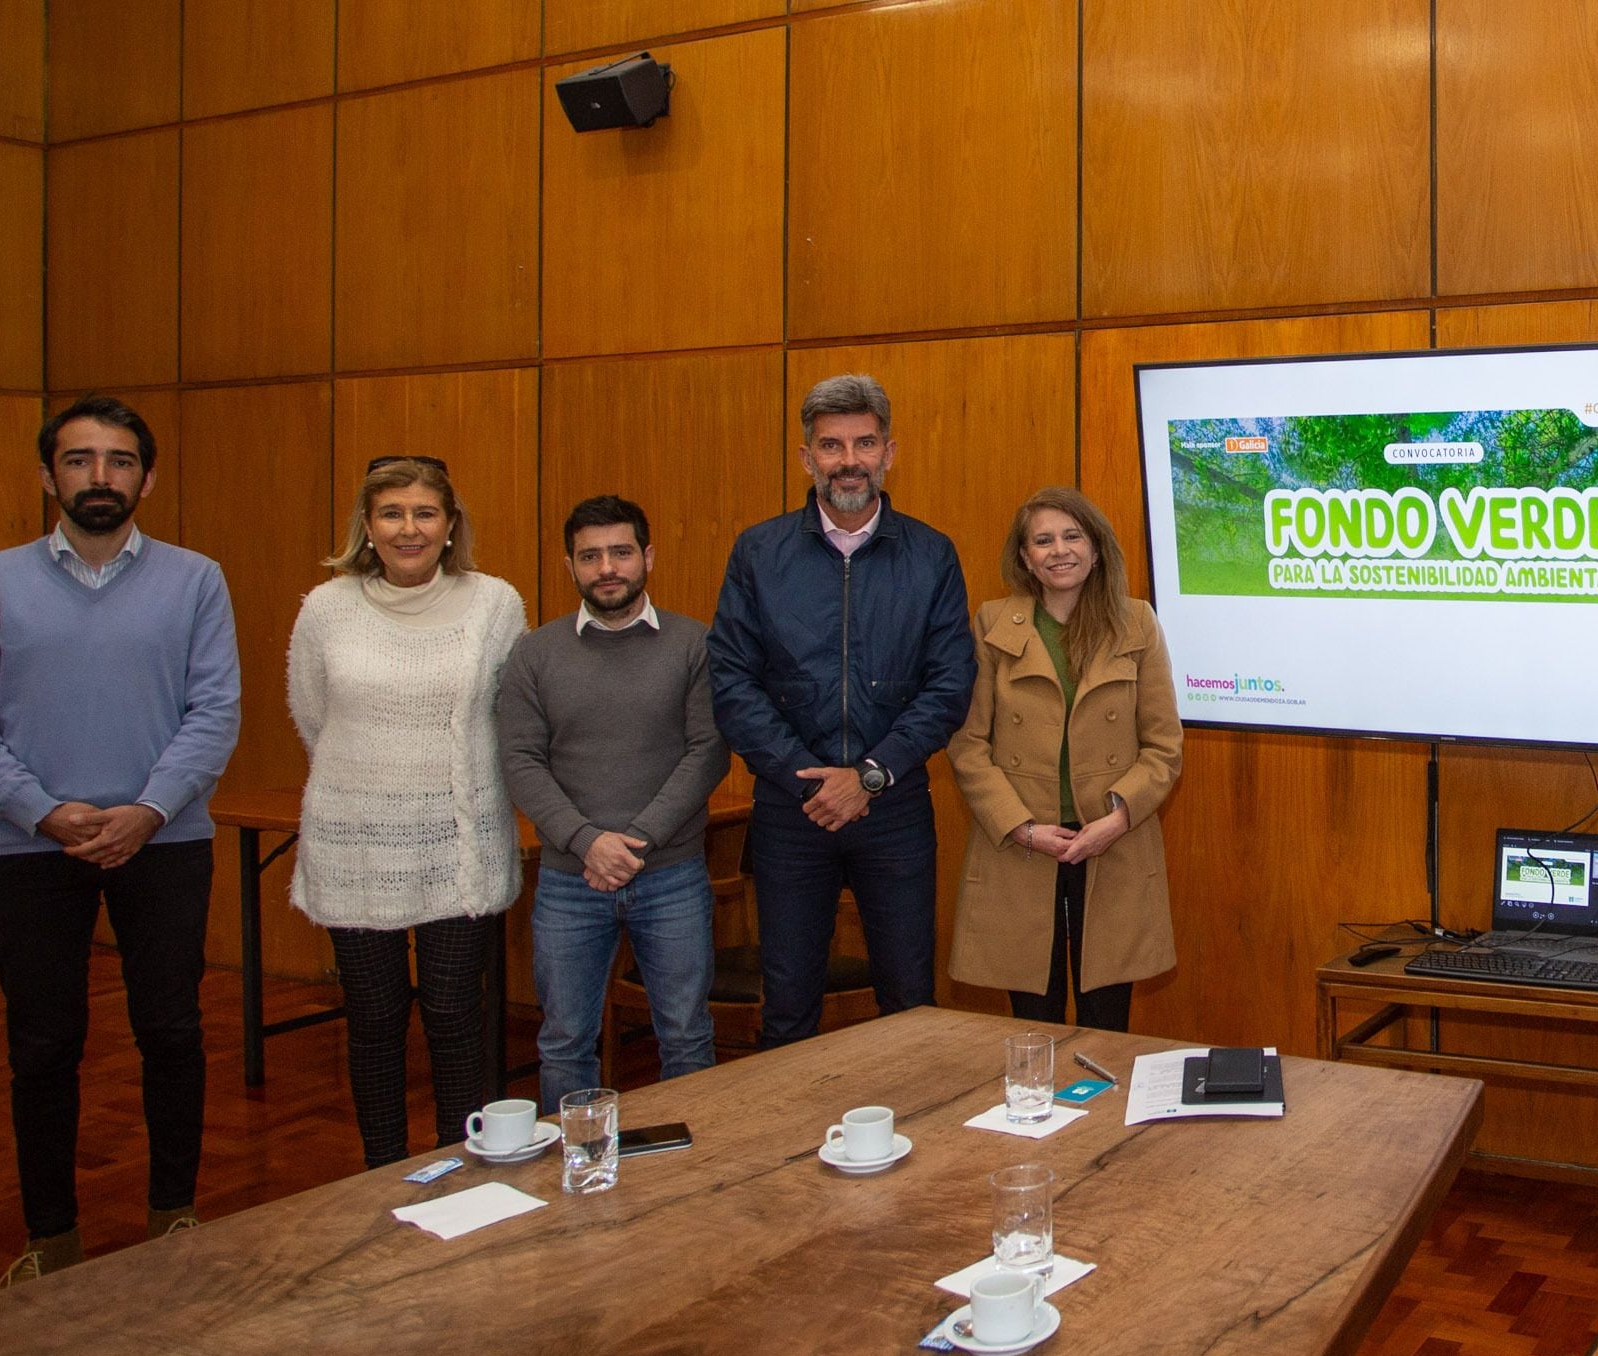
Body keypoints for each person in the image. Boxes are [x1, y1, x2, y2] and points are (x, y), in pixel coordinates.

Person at [0, 396, 240, 1284]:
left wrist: (147, 811)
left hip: (166, 843)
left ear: (147, 476)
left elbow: (214, 712)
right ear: (47, 476)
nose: (100, 477)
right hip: (30, 849)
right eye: (79, 460)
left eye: (119, 461)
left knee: (173, 1030)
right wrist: (42, 809)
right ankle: (51, 1240)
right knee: (43, 1044)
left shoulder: (195, 579)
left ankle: (175, 1217)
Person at [706, 374, 975, 1045]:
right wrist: (813, 779)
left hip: (895, 806)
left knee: (910, 1002)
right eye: (831, 445)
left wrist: (870, 776)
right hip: (791, 810)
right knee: (789, 1005)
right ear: (807, 459)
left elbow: (950, 684)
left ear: (889, 452)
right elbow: (732, 681)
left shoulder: (931, 554)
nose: (849, 459)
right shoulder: (759, 553)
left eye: (864, 442)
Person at [288, 455, 528, 1167]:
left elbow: (508, 713)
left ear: (451, 525)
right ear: (367, 525)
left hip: (460, 843)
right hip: (353, 845)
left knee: (456, 1015)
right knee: (374, 1018)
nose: (409, 528)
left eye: (425, 513)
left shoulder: (494, 603)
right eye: (391, 513)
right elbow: (312, 714)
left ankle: (462, 1166)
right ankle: (383, 1171)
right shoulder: (325, 609)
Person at [497, 495, 729, 1114]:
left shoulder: (694, 645)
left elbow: (708, 752)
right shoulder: (535, 655)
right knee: (565, 1042)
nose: (607, 568)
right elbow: (520, 760)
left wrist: (635, 841)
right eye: (590, 555)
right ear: (569, 564)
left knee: (685, 1036)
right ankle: (570, 1179)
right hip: (570, 881)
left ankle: (695, 1174)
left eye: (621, 552)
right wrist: (586, 841)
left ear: (647, 557)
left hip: (672, 875)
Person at [946, 489, 1183, 1029]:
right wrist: (1021, 827)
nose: (1060, 550)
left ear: (1096, 549)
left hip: (1112, 842)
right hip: (1022, 845)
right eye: (1043, 540)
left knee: (1106, 1027)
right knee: (1032, 1028)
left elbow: (1164, 746)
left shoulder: (1137, 622)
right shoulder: (991, 623)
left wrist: (1117, 819)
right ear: (1025, 557)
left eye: (1073, 536)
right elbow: (967, 745)